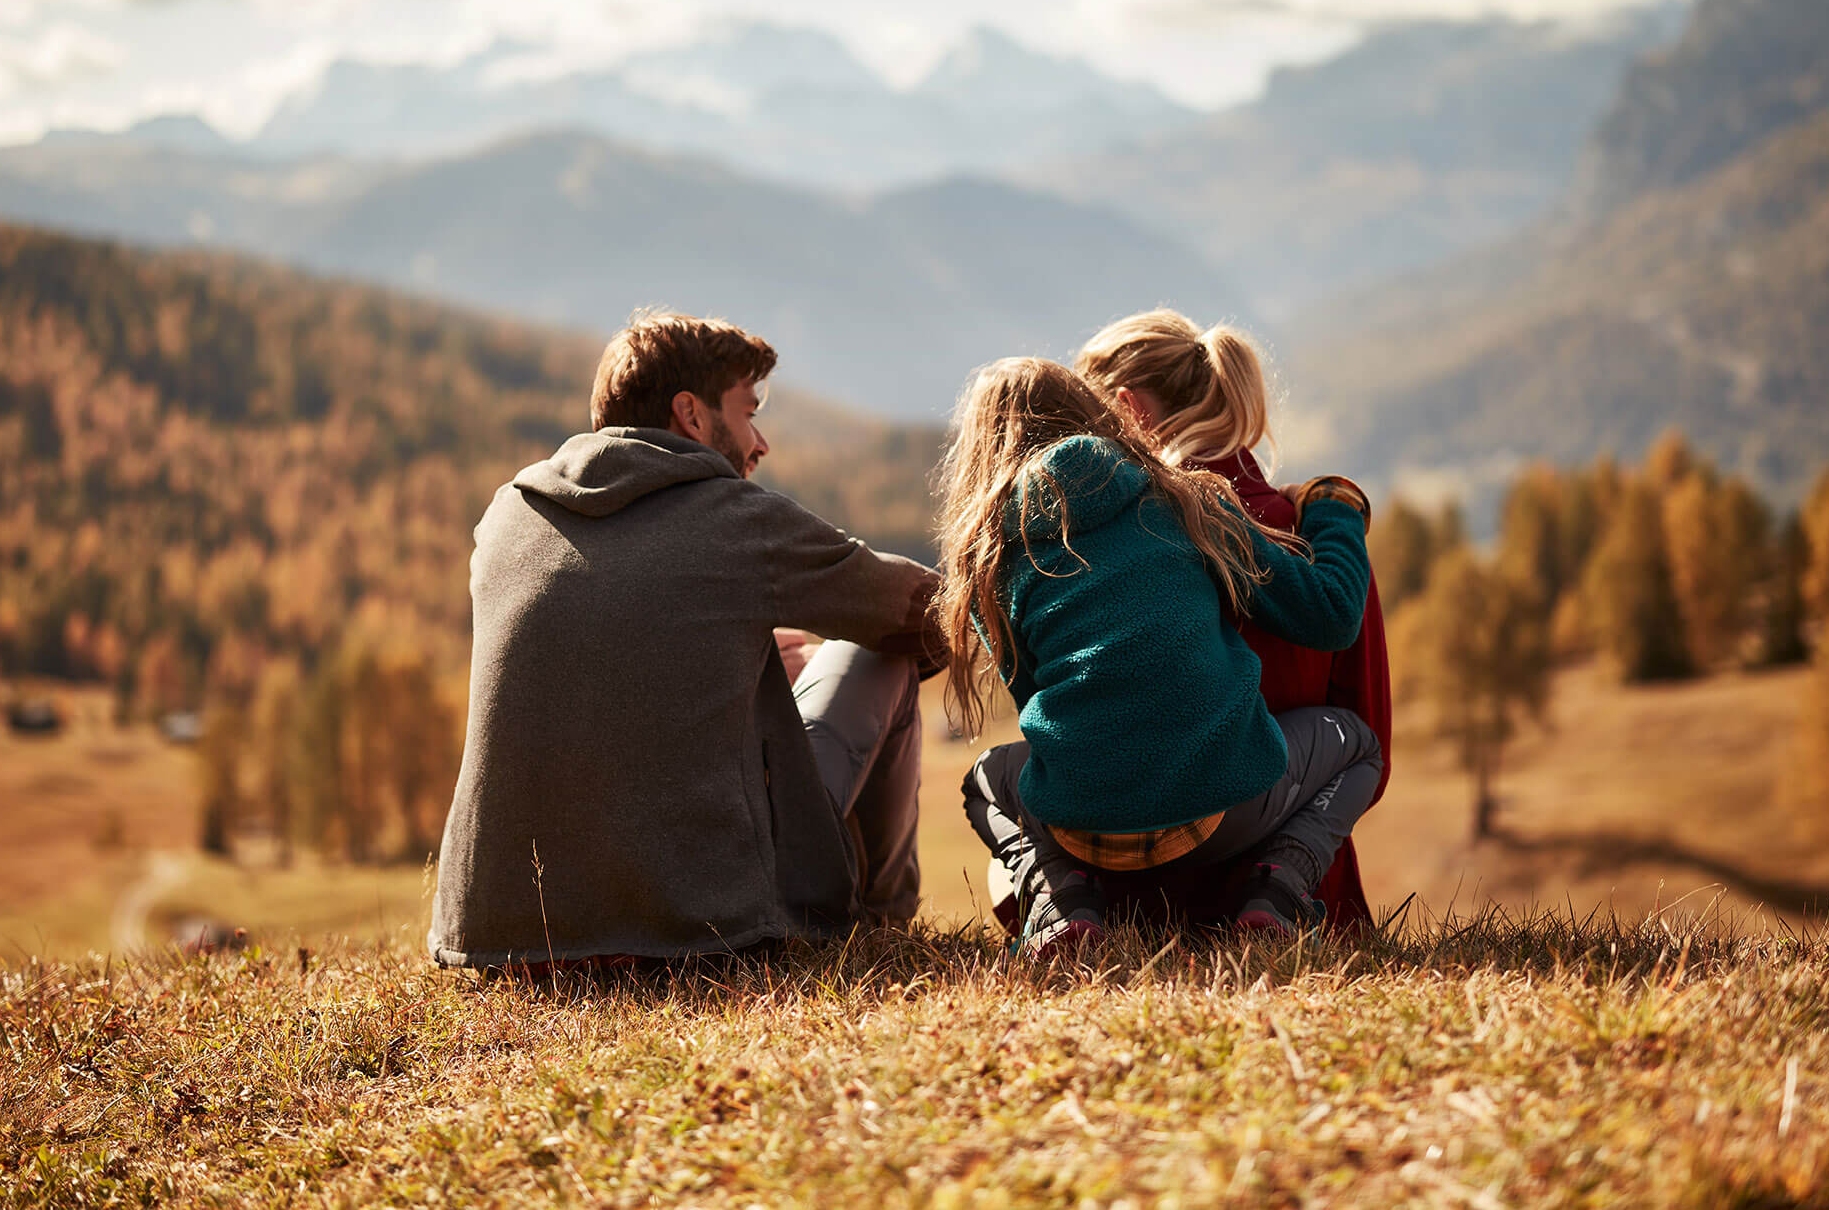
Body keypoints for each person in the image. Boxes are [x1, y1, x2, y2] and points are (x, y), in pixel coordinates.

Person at [429, 311, 941, 971]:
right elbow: (922, 610)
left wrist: (748, 670)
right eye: (748, 411)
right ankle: (877, 922)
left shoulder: (507, 515)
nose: (760, 443)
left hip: (499, 936)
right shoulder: (736, 518)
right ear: (691, 415)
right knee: (881, 650)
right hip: (698, 925)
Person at [943, 357, 1379, 954]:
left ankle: (1058, 904)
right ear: (1098, 413)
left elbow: (1036, 709)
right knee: (1357, 740)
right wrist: (1335, 507)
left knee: (986, 778)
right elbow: (1330, 614)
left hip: (1081, 830)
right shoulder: (1184, 500)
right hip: (1224, 814)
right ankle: (1279, 888)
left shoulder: (988, 556)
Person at [1075, 308, 1392, 929]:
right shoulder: (1317, 539)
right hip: (1298, 905)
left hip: (1127, 901)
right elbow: (1370, 733)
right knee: (1359, 742)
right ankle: (1279, 885)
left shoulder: (1105, 542)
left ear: (1127, 409)